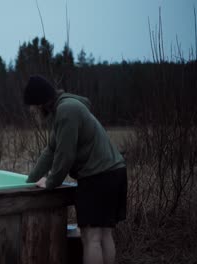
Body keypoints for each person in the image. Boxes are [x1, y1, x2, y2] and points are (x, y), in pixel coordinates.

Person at [23, 75, 127, 264]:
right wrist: (28, 181)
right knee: (103, 234)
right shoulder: (63, 109)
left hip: (99, 176)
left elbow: (65, 155)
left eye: (32, 107)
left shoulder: (66, 111)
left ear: (40, 103)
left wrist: (51, 182)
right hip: (113, 172)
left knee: (91, 237)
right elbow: (51, 150)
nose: (31, 112)